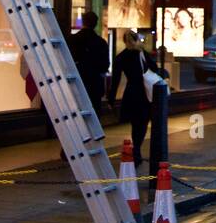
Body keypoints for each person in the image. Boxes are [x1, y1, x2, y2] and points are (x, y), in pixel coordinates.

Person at [107, 31, 163, 166]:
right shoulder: (142, 53)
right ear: (137, 39)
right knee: (143, 123)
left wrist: (111, 100)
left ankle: (136, 150)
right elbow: (155, 68)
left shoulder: (121, 57)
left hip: (131, 92)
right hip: (144, 93)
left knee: (134, 123)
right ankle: (137, 148)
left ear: (124, 41)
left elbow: (115, 80)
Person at [67, 11, 110, 114]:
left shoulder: (73, 39)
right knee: (94, 113)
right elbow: (105, 65)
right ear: (96, 23)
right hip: (95, 84)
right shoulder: (101, 42)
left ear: (83, 22)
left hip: (77, 82)